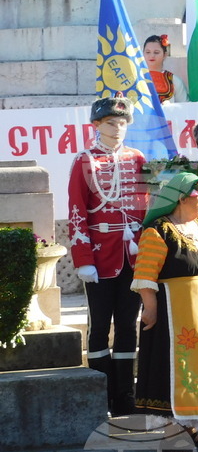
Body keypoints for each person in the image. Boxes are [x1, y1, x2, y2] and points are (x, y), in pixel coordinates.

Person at [132, 171, 198, 451]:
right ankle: (172, 432)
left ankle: (195, 428)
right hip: (175, 318)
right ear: (181, 199)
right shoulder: (158, 231)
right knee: (177, 369)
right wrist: (150, 309)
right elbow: (145, 275)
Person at [68, 94, 148, 416]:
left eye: (122, 123)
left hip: (134, 255)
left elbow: (148, 207)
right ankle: (100, 393)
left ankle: (124, 394)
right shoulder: (85, 160)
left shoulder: (138, 157)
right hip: (100, 257)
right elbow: (77, 210)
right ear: (97, 125)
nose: (118, 129)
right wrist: (83, 257)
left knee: (129, 324)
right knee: (100, 325)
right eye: (111, 123)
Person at [143, 35, 187, 104]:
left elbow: (185, 107)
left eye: (156, 52)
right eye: (148, 52)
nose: (152, 56)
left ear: (165, 55)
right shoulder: (135, 79)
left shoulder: (174, 81)